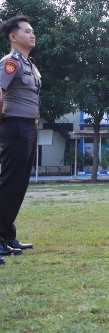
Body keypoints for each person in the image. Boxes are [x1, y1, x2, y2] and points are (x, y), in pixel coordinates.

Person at [0, 16, 40, 258]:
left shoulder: (30, 64)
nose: (32, 34)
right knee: (8, 184)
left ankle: (7, 236)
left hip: (28, 128)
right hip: (13, 127)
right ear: (13, 37)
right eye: (27, 31)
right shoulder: (9, 63)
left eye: (32, 31)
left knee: (19, 185)